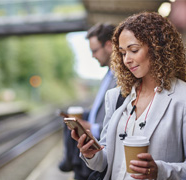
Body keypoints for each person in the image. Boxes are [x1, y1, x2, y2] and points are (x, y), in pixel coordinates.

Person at [72, 12, 186, 180]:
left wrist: (159, 171)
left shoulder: (182, 98)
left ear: (157, 48)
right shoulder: (117, 96)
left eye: (133, 50)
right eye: (123, 53)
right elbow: (104, 163)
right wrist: (91, 153)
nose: (127, 60)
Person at [59, 23, 117, 180]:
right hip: (93, 152)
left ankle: (69, 161)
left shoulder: (120, 78)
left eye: (95, 51)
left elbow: (117, 118)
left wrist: (92, 127)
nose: (93, 56)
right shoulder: (108, 75)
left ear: (109, 45)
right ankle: (70, 160)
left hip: (101, 150)